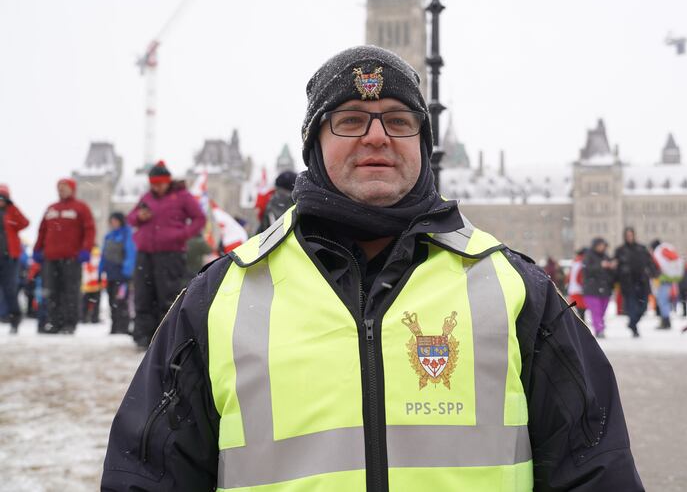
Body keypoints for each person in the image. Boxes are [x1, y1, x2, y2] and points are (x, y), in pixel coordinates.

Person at [103, 46, 642, 491]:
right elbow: (147, 474)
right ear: (316, 144)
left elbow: (595, 468)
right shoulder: (221, 297)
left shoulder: (516, 291)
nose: (377, 136)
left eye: (400, 121)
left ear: (425, 146)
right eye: (351, 120)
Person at [127, 161, 206, 349]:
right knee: (144, 295)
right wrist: (140, 217)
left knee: (167, 295)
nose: (156, 187)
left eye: (160, 183)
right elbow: (130, 217)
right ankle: (143, 336)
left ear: (167, 182)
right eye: (153, 183)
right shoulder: (147, 197)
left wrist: (182, 235)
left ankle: (165, 338)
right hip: (145, 252)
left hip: (170, 253)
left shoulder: (182, 196)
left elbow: (199, 218)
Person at [33, 178, 95, 334]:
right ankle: (54, 322)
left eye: (65, 187)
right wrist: (37, 249)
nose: (61, 190)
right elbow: (42, 231)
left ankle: (69, 323)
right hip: (50, 258)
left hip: (71, 258)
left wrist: (86, 249)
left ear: (72, 189)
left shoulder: (81, 208)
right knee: (52, 291)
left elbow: (89, 229)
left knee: (70, 291)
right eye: (59, 187)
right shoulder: (51, 209)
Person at [613, 227, 656, 337]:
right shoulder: (620, 250)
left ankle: (632, 323)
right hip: (628, 283)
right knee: (632, 307)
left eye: (631, 235)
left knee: (643, 307)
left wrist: (652, 272)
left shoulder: (642, 248)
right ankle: (634, 328)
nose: (629, 237)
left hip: (642, 282)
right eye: (627, 235)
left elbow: (650, 262)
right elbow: (615, 267)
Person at [99, 212, 137, 334]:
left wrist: (127, 271)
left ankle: (123, 327)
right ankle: (114, 326)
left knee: (121, 301)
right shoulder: (108, 236)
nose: (113, 223)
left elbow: (130, 253)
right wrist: (100, 271)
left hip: (122, 275)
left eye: (115, 220)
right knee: (111, 302)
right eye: (112, 221)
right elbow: (104, 255)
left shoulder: (127, 234)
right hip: (110, 274)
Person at [0, 184, 29, 334]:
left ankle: (14, 319)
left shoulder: (11, 212)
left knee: (10, 289)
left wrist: (12, 207)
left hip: (9, 258)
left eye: (3, 198)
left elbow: (25, 223)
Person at [582, 237, 617, 338]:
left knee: (602, 311)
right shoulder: (589, 256)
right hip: (592, 289)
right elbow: (586, 270)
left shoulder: (606, 256)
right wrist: (600, 265)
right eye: (600, 245)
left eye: (603, 246)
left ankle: (600, 327)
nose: (602, 248)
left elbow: (612, 273)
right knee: (596, 311)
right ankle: (599, 329)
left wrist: (612, 267)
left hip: (605, 289)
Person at [652, 239, 685, 330]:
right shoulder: (667, 248)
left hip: (664, 279)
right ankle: (665, 320)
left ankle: (666, 321)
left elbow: (658, 265)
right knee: (665, 301)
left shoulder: (658, 251)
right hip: (671, 279)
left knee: (663, 301)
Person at [80, 246, 103, 323]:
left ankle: (83, 317)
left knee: (85, 303)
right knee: (96, 303)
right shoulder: (100, 257)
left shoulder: (87, 256)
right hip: (97, 285)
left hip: (87, 285)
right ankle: (94, 318)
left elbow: (85, 270)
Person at [566, 247, 587, 321]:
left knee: (579, 310)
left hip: (573, 289)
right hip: (579, 290)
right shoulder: (582, 263)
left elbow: (568, 277)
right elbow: (580, 277)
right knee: (581, 311)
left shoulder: (574, 262)